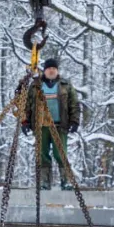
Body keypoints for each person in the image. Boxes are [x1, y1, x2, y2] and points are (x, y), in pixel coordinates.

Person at [22, 58, 80, 190]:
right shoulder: (36, 85)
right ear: (45, 70)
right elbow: (27, 105)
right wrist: (25, 121)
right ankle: (44, 182)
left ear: (57, 70)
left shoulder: (66, 85)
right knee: (42, 155)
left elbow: (74, 104)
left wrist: (75, 121)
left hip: (60, 125)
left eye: (54, 68)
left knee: (60, 154)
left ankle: (66, 181)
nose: (51, 70)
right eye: (49, 68)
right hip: (41, 126)